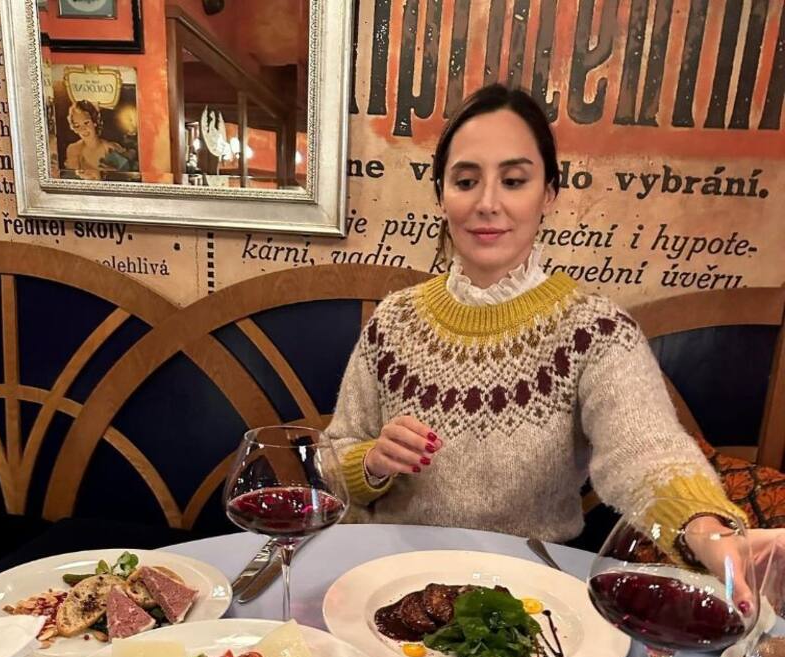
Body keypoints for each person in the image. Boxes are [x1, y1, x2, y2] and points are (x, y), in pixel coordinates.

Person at [327, 83, 784, 598]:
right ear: (440, 195)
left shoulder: (595, 330)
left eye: (514, 180)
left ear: (548, 193)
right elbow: (334, 456)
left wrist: (708, 533)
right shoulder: (393, 321)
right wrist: (371, 463)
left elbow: (647, 451)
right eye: (466, 180)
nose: (487, 203)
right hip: (388, 579)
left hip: (527, 598)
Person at [63, 100, 127, 180]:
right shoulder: (73, 149)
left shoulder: (110, 148)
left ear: (94, 122)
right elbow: (70, 178)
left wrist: (105, 175)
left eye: (86, 123)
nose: (83, 129)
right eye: (77, 125)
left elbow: (127, 177)